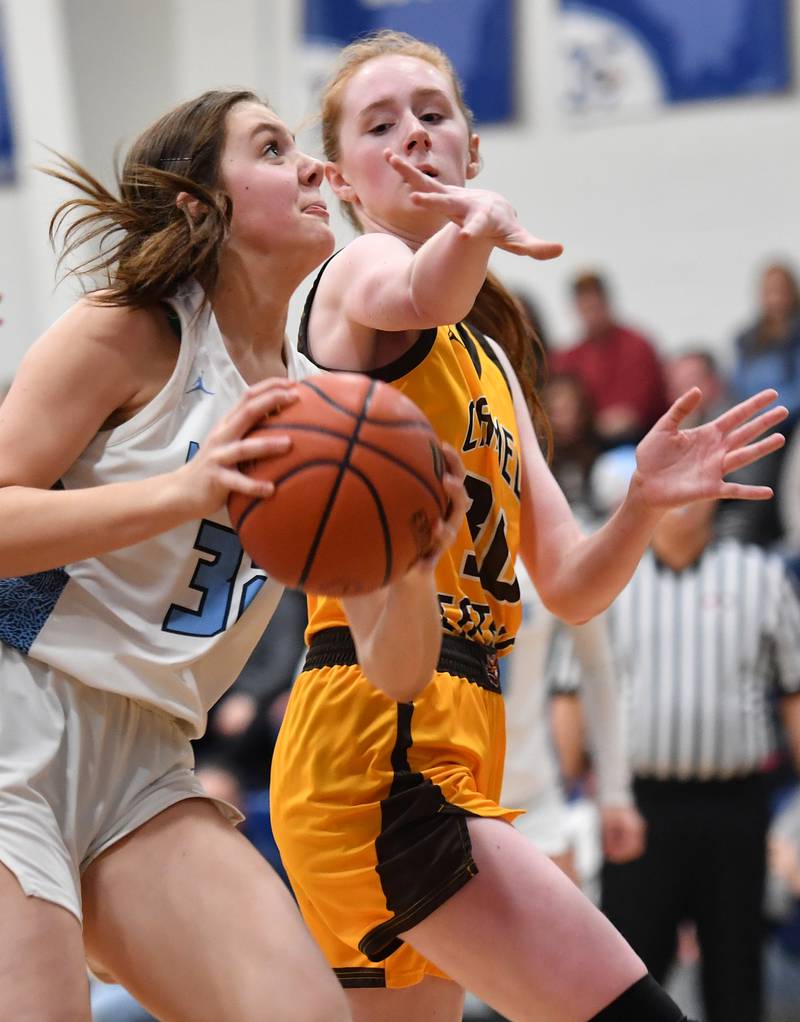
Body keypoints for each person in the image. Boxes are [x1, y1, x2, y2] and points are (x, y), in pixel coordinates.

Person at [268, 29, 787, 1022]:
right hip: (377, 747)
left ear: (472, 143)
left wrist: (636, 502)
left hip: (445, 735)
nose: (413, 137)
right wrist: (477, 227)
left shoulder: (491, 366)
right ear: (342, 179)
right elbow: (421, 287)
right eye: (379, 125)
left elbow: (570, 585)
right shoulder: (356, 277)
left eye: (433, 114)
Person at [0, 87, 467, 1022]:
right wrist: (187, 487)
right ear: (198, 202)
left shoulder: (323, 408)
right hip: (17, 712)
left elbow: (400, 669)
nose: (311, 169)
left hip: (147, 762)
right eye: (270, 148)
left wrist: (411, 557)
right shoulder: (130, 331)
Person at [550, 489, 800, 1022]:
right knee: (627, 977)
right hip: (638, 808)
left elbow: (794, 691)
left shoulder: (762, 575)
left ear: (718, 496)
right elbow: (569, 690)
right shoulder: (611, 577)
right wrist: (558, 802)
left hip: (736, 807)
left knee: (736, 980)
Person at [551, 271, 668, 447]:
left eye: (594, 304)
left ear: (606, 302)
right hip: (585, 447)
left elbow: (638, 410)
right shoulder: (567, 358)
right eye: (584, 305)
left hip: (638, 442)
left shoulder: (638, 346)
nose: (590, 312)